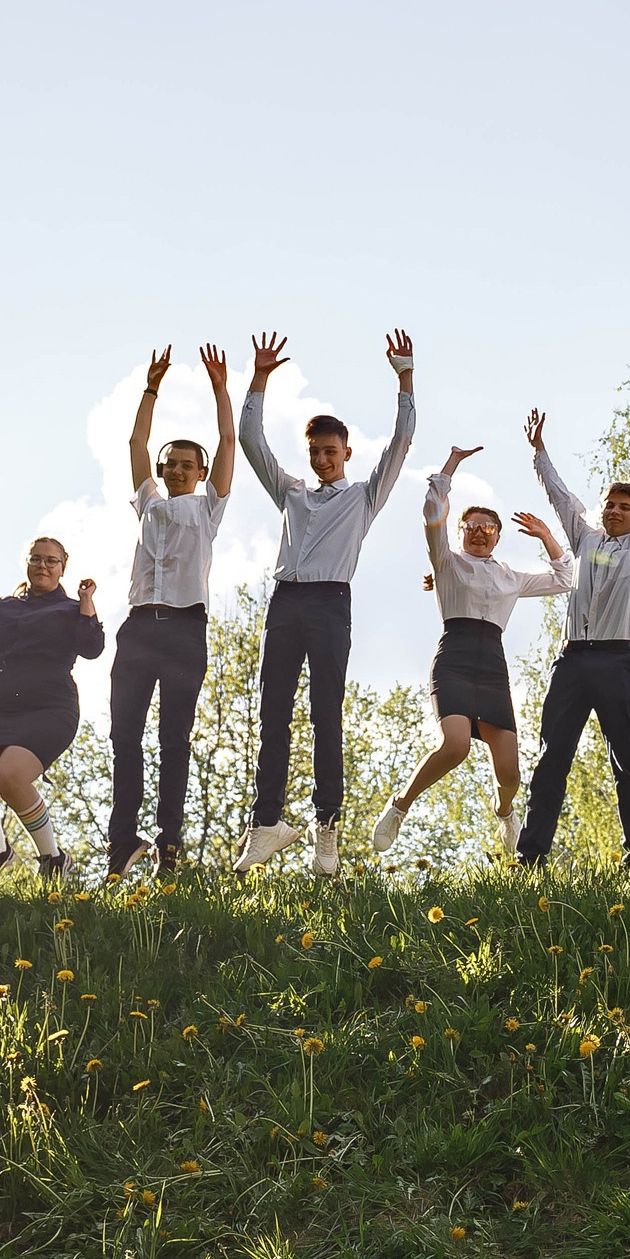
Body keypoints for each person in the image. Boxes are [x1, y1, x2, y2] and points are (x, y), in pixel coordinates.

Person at [236, 329, 417, 875]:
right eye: (315, 451)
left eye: (330, 452)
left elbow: (401, 443)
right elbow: (251, 442)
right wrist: (259, 380)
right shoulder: (291, 492)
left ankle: (326, 828)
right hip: (285, 603)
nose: (322, 459)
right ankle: (267, 823)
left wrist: (405, 378)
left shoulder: (363, 497)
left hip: (330, 604)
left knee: (325, 716)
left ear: (346, 453)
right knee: (272, 713)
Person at [515, 396, 630, 865]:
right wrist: (539, 451)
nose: (616, 511)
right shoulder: (585, 539)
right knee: (552, 757)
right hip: (572, 660)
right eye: (610, 505)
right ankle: (531, 855)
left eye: (625, 507)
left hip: (617, 660)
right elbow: (560, 495)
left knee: (625, 756)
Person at [370, 445, 572, 857]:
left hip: (493, 668)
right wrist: (451, 464)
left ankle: (504, 811)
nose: (479, 532)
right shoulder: (446, 563)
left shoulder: (512, 577)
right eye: (471, 526)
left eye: (488, 527)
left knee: (510, 773)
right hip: (455, 661)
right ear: (461, 531)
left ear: (498, 535)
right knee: (456, 745)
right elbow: (432, 512)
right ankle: (400, 805)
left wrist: (547, 536)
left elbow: (564, 578)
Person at [108, 343, 236, 877]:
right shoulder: (149, 502)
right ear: (161, 471)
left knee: (173, 739)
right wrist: (151, 387)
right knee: (124, 735)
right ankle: (122, 841)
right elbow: (136, 441)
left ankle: (170, 843)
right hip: (138, 629)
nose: (179, 470)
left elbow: (228, 441)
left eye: (188, 465)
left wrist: (220, 388)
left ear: (201, 473)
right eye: (172, 465)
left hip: (184, 631)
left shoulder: (208, 507)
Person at [0, 539, 104, 879]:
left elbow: (92, 648)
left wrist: (87, 601)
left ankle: (53, 859)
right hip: (5, 708)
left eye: (51, 561)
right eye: (36, 559)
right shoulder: (3, 607)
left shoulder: (71, 608)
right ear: (27, 563)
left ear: (63, 567)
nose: (43, 566)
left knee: (11, 776)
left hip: (52, 707)